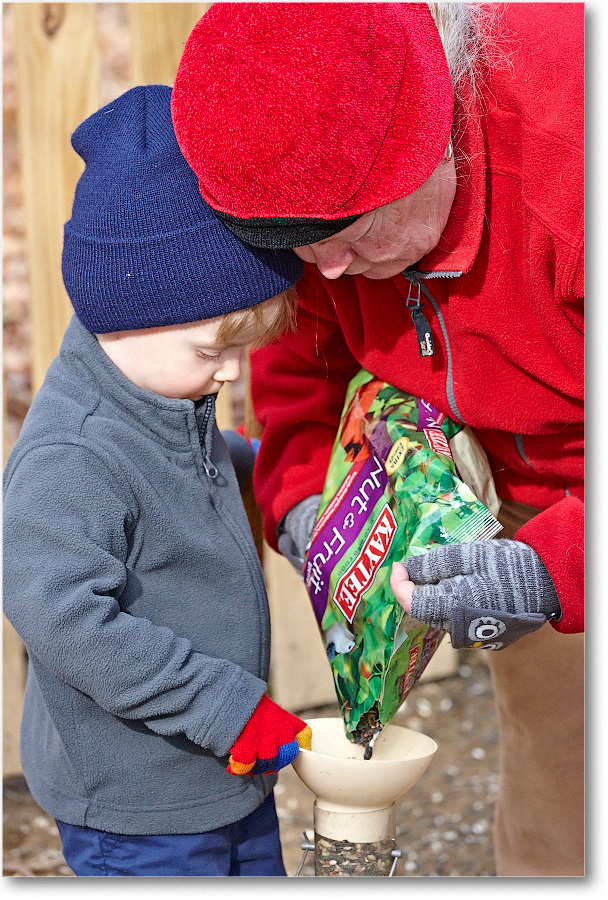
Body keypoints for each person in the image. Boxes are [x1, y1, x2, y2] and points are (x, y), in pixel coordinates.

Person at [170, 3, 584, 877]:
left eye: (350, 236)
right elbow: (302, 360)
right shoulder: (324, 208)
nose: (326, 273)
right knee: (563, 812)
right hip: (518, 504)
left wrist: (565, 564)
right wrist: (303, 499)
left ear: (431, 142)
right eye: (296, 247)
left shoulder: (576, 143)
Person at [2, 84, 311, 878]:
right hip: (138, 802)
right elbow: (65, 619)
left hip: (223, 771)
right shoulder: (74, 455)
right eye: (212, 353)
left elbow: (190, 475)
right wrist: (227, 708)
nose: (232, 372)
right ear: (126, 310)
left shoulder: (158, 385)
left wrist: (275, 487)